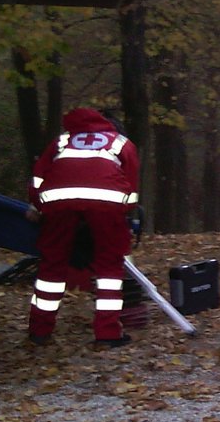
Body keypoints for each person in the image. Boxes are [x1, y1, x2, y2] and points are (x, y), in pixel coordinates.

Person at [26, 107, 141, 348]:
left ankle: (40, 331)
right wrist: (121, 214)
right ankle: (107, 334)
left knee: (51, 267)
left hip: (58, 204)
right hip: (107, 205)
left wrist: (40, 207)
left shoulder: (62, 141)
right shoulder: (121, 144)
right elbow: (131, 191)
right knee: (109, 270)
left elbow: (37, 179)